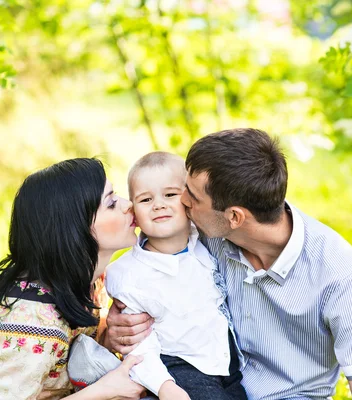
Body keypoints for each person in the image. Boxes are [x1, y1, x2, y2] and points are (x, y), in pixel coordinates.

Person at [106, 129, 352, 400]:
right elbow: (148, 271)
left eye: (191, 196)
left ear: (234, 217)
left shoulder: (338, 274)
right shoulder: (205, 235)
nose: (181, 202)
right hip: (208, 382)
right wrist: (117, 327)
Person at [0, 158, 145, 400]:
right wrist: (105, 391)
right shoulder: (32, 323)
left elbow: (68, 345)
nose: (129, 205)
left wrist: (107, 334)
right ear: (73, 230)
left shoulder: (84, 276)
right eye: (110, 204)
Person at [105, 152, 247, 400]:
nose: (158, 204)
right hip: (179, 369)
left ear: (189, 202)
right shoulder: (128, 276)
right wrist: (164, 386)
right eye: (146, 199)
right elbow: (138, 347)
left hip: (227, 365)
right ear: (134, 213)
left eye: (170, 194)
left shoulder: (204, 241)